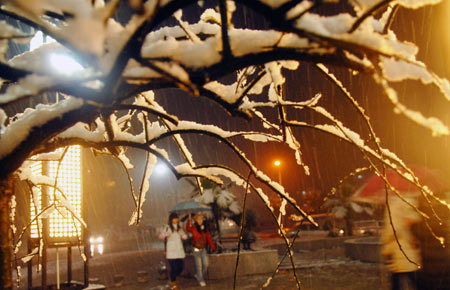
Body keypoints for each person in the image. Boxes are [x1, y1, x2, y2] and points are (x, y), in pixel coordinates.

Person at [381, 197, 422, 290]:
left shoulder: (394, 204)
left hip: (400, 249)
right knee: (411, 276)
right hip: (407, 248)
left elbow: (392, 229)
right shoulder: (410, 202)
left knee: (400, 278)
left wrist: (385, 238)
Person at [159, 212, 188, 290]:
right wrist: (166, 234)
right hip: (171, 252)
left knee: (181, 267)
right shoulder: (167, 227)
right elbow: (161, 236)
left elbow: (185, 237)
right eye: (174, 218)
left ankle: (172, 279)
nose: (176, 220)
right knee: (173, 268)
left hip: (179, 251)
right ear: (171, 219)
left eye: (176, 218)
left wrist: (183, 235)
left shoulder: (179, 228)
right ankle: (174, 284)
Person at [186, 213, 216, 287]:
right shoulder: (193, 227)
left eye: (201, 219)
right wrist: (188, 221)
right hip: (196, 249)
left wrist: (212, 246)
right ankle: (201, 279)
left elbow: (208, 237)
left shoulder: (205, 228)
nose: (200, 221)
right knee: (198, 266)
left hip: (203, 249)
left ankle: (198, 275)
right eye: (198, 219)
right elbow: (188, 228)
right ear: (196, 220)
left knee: (206, 264)